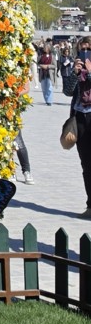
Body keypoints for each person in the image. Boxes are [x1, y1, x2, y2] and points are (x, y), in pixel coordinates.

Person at [71, 62, 91, 214]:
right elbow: (67, 90)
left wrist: (89, 74)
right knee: (86, 164)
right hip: (80, 118)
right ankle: (90, 206)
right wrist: (75, 74)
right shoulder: (79, 72)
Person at [37, 39, 55, 105]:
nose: (45, 48)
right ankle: (46, 99)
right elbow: (37, 63)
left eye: (46, 47)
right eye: (44, 47)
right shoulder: (41, 56)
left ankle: (49, 101)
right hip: (42, 73)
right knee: (44, 88)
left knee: (49, 87)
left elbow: (55, 66)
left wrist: (47, 66)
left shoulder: (52, 56)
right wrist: (41, 66)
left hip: (49, 73)